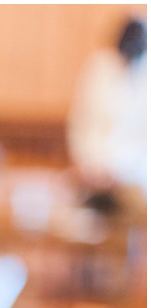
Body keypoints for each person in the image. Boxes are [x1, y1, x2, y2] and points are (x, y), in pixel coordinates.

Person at [67, 18, 147, 194]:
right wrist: (89, 165)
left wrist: (125, 172)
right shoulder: (99, 67)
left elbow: (143, 137)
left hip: (136, 178)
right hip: (94, 170)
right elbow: (82, 121)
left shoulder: (145, 75)